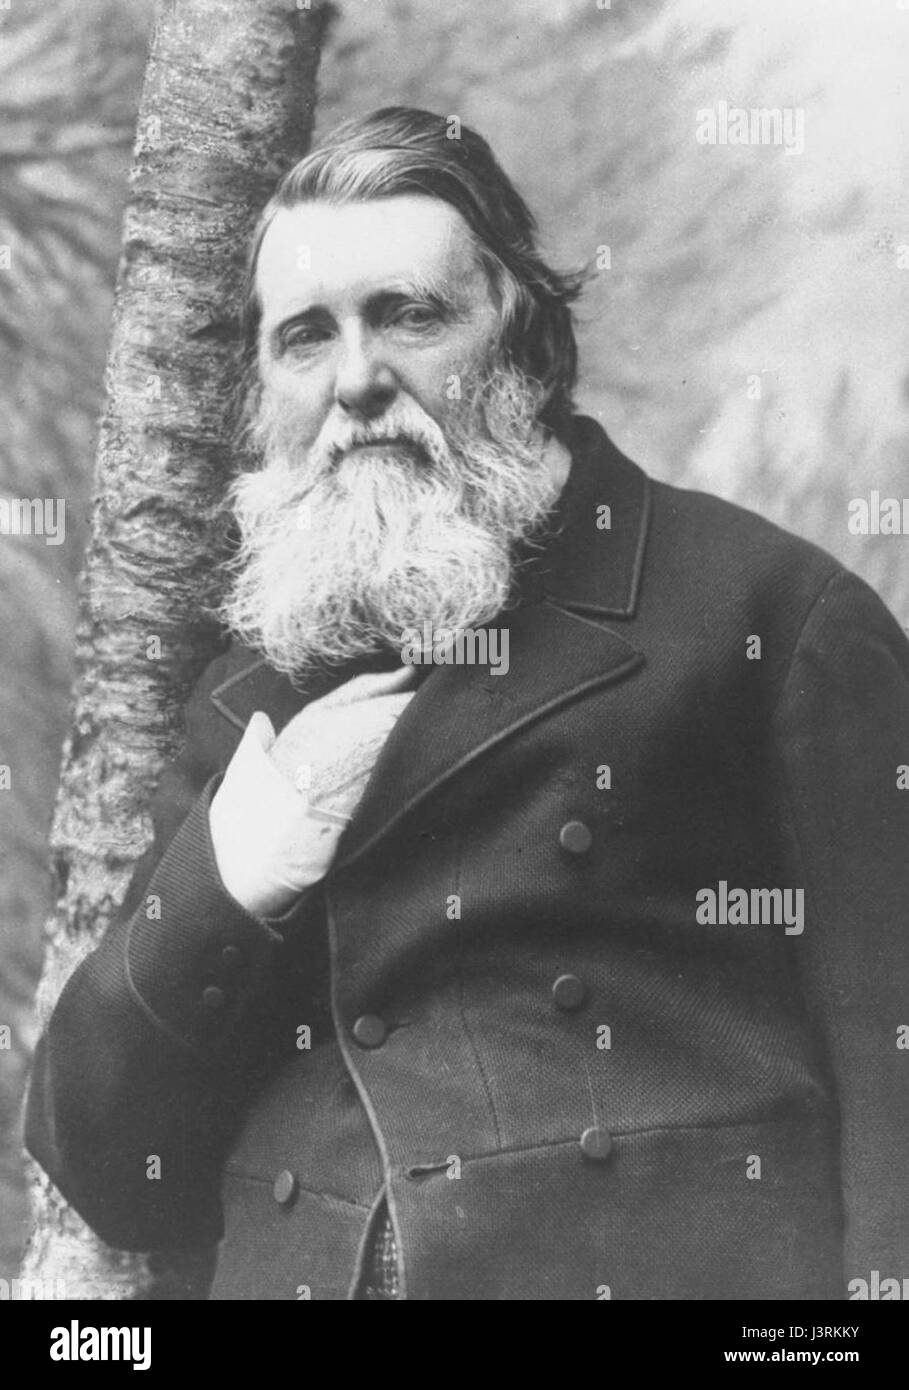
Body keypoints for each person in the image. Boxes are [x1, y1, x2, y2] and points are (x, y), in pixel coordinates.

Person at [25, 106, 909, 1301]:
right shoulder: (249, 696)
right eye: (304, 338)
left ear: (526, 339)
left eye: (407, 314)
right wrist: (234, 872)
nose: (357, 380)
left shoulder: (770, 621)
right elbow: (105, 1166)